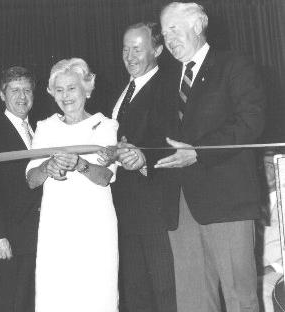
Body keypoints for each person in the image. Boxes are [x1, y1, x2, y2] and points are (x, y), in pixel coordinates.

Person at [155, 2, 266, 312]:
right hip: (181, 206)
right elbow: (161, 137)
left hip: (228, 201)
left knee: (240, 299)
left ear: (197, 25)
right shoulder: (166, 81)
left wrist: (198, 154)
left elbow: (250, 122)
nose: (169, 39)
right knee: (192, 302)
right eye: (164, 34)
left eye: (173, 29)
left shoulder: (234, 65)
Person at [26, 58, 119, 312]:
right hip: (56, 227)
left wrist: (80, 165)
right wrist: (47, 167)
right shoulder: (45, 128)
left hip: (95, 226)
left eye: (72, 88)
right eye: (59, 90)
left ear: (87, 89)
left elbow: (105, 177)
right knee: (56, 295)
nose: (65, 96)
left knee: (97, 294)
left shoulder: (106, 125)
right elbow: (32, 180)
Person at [110, 22, 176, 312]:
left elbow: (172, 137)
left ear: (158, 50)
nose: (130, 55)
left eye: (138, 48)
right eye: (126, 48)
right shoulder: (121, 90)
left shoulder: (168, 86)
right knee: (135, 295)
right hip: (125, 210)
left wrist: (144, 159)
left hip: (156, 209)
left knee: (164, 292)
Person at [0, 66, 43, 312]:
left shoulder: (41, 131)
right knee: (10, 304)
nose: (22, 96)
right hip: (9, 238)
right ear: (2, 95)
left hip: (39, 235)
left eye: (27, 90)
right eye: (14, 90)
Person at [260, 152, 282, 312]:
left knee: (263, 289)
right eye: (262, 165)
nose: (263, 170)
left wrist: (274, 267)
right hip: (252, 270)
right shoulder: (251, 204)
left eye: (270, 165)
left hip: (279, 270)